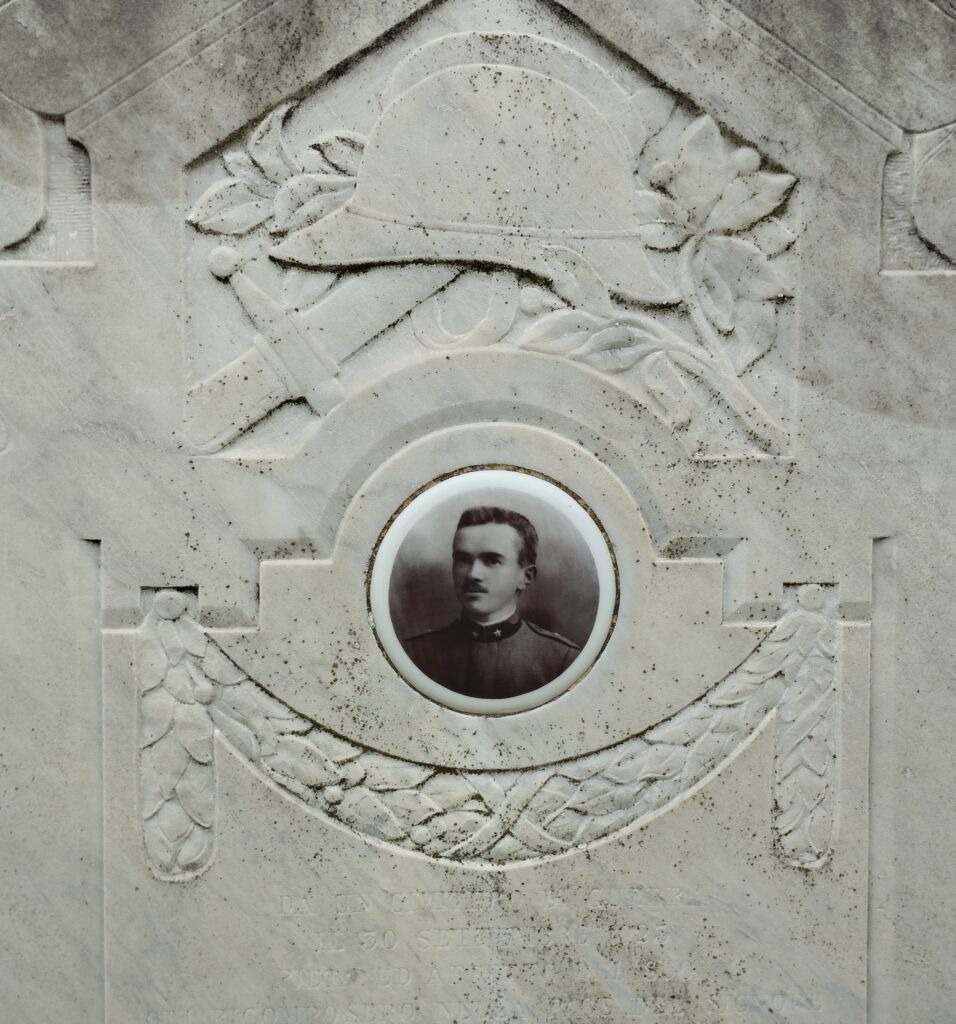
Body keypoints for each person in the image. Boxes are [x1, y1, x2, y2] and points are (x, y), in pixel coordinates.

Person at [402, 506, 580, 700]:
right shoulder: (412, 655)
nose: (473, 574)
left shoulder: (563, 661)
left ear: (526, 576)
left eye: (491, 561)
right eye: (463, 560)